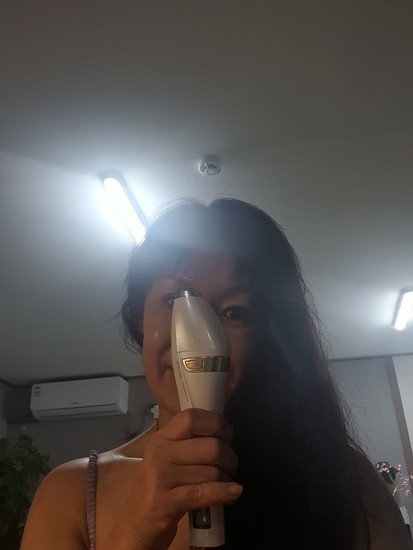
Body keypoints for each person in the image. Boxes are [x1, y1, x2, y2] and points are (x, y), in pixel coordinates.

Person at [21, 197, 413, 550]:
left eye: (235, 312)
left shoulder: (344, 482)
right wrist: (135, 534)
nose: (199, 340)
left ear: (267, 338)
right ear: (140, 319)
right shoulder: (70, 493)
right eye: (174, 300)